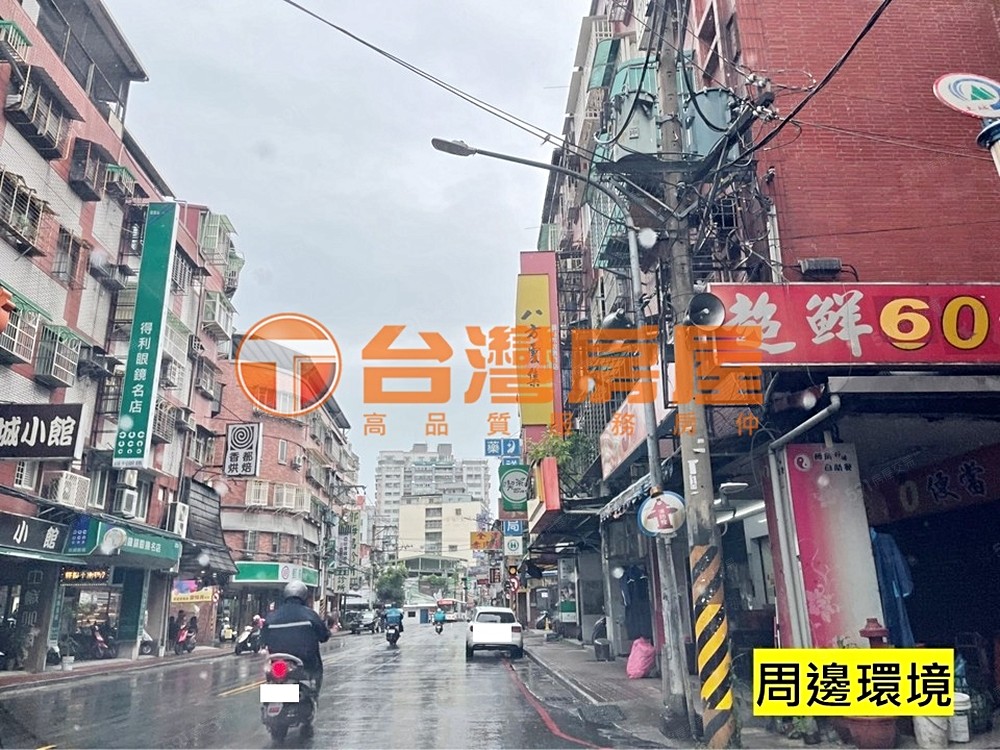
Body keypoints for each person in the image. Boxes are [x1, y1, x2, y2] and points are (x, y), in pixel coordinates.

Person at [261, 581, 330, 695]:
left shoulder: (272, 616)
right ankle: (312, 695)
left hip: (278, 661)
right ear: (304, 596)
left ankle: (272, 698)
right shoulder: (310, 615)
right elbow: (324, 636)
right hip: (305, 663)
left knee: (272, 679)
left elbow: (263, 639)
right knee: (314, 676)